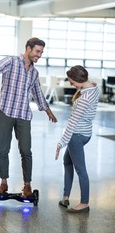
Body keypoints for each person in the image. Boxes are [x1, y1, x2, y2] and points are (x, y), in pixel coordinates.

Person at [0, 37, 57, 197]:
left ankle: (27, 185)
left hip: (23, 115)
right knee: (3, 150)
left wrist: (47, 109)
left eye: (41, 52)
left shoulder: (34, 72)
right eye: (37, 51)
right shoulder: (11, 61)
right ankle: (3, 183)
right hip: (5, 112)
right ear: (28, 49)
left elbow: (37, 92)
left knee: (26, 151)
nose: (39, 55)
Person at [55, 65, 99, 213]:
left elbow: (72, 124)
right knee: (67, 162)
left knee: (81, 170)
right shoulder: (93, 88)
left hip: (77, 135)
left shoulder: (83, 99)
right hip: (86, 133)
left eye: (72, 81)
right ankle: (65, 196)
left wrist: (60, 143)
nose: (71, 84)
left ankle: (84, 203)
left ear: (78, 80)